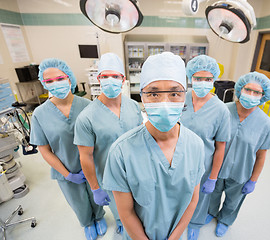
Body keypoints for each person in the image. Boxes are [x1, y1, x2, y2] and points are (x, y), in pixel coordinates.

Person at [102, 52, 205, 240]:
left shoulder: (195, 145)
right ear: (142, 96)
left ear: (185, 96)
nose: (164, 103)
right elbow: (126, 213)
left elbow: (192, 200)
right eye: (154, 93)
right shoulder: (121, 152)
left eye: (174, 93)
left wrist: (174, 237)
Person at [30, 58, 103, 240]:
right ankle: (87, 223)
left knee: (97, 195)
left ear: (69, 78)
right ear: (43, 84)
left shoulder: (88, 106)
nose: (56, 84)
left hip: (92, 166)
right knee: (78, 202)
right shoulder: (40, 114)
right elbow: (44, 150)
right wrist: (67, 174)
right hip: (66, 169)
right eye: (49, 81)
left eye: (60, 78)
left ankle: (99, 217)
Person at [74, 53, 143, 235]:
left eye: (115, 76)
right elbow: (86, 156)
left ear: (123, 79)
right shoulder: (86, 117)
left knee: (139, 206)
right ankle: (121, 221)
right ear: (98, 79)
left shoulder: (134, 106)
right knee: (120, 209)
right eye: (105, 76)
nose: (110, 80)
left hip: (136, 170)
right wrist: (95, 188)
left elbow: (141, 137)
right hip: (109, 176)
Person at [207, 71, 270, 237]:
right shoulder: (223, 111)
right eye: (248, 89)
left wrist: (253, 180)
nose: (251, 95)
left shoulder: (265, 123)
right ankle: (211, 212)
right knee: (213, 195)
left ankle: (225, 220)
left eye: (257, 92)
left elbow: (261, 155)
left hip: (241, 172)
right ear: (239, 90)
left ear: (263, 95)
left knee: (233, 200)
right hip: (217, 168)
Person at [180, 55, 231, 240]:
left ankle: (195, 223)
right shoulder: (180, 99)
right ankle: (179, 220)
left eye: (208, 79)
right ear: (190, 77)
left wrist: (213, 177)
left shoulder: (220, 110)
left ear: (214, 80)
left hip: (203, 164)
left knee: (200, 198)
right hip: (177, 160)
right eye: (198, 78)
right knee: (178, 193)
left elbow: (220, 146)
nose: (202, 83)